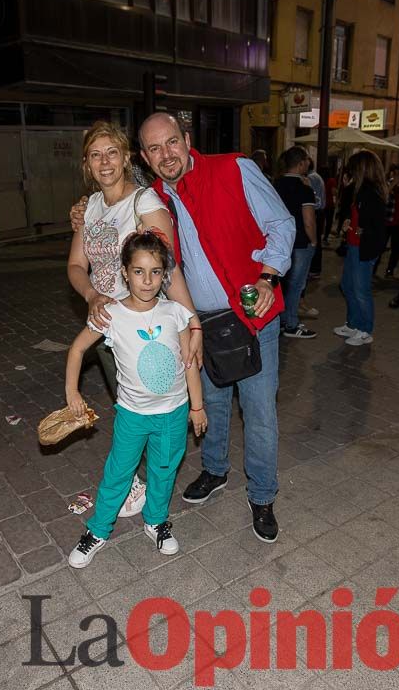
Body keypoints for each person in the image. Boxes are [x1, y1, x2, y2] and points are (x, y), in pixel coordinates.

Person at [137, 112, 293, 543]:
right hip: (199, 325)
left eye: (171, 142)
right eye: (154, 148)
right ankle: (215, 470)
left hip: (251, 317)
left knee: (259, 412)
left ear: (187, 140)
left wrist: (268, 276)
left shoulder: (234, 168)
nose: (166, 154)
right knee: (214, 404)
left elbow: (281, 223)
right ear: (146, 157)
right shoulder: (152, 199)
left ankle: (262, 495)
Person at [66, 120, 203, 519]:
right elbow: (76, 265)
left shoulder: (145, 204)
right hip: (109, 323)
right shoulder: (90, 207)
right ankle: (135, 482)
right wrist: (92, 294)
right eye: (96, 155)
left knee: (152, 404)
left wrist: (192, 323)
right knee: (128, 405)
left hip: (145, 326)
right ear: (87, 164)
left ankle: (149, 493)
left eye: (112, 153)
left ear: (126, 157)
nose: (105, 162)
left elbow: (169, 267)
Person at [63, 232, 206, 568]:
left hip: (173, 413)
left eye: (156, 272)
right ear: (125, 272)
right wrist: (72, 391)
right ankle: (98, 530)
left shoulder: (175, 313)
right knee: (119, 472)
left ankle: (155, 521)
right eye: (139, 271)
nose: (147, 280)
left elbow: (189, 364)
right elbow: (78, 348)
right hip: (133, 415)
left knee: (164, 469)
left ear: (164, 274)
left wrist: (197, 407)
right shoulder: (111, 314)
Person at [334, 150, 387, 346]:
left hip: (364, 249)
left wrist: (357, 231)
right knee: (347, 286)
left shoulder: (372, 194)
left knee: (360, 290)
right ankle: (354, 324)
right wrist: (350, 223)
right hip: (354, 247)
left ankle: (365, 330)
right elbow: (357, 217)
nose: (349, 172)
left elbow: (377, 229)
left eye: (353, 169)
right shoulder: (360, 191)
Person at [274, 147, 317, 339]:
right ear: (300, 163)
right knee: (296, 284)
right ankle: (291, 324)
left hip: (280, 241)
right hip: (300, 242)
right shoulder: (304, 188)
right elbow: (308, 220)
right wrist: (314, 241)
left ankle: (282, 320)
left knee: (281, 283)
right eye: (307, 160)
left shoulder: (275, 185)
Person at [379, 164, 399, 278]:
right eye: (395, 173)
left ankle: (390, 269)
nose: (396, 176)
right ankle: (373, 269)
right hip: (387, 221)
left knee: (396, 249)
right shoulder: (387, 184)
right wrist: (393, 184)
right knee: (380, 247)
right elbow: (382, 197)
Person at [306, 158, 327, 285]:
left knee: (314, 242)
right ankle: (315, 269)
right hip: (318, 212)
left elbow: (313, 199)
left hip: (316, 212)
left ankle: (314, 269)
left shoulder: (312, 178)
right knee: (316, 241)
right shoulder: (315, 176)